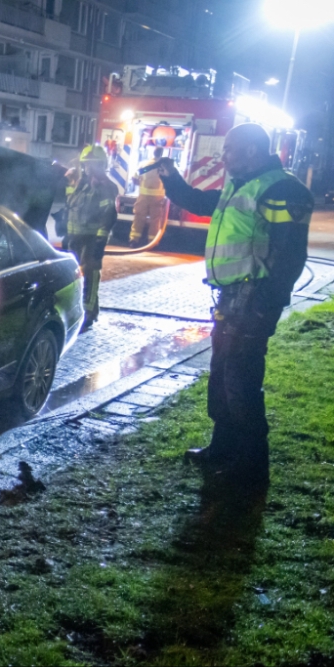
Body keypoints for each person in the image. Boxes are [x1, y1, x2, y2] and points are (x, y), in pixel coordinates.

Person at [159, 123, 312, 489]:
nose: (223, 156)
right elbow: (199, 203)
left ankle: (251, 465)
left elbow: (289, 255)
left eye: (229, 149)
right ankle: (223, 448)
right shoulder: (237, 183)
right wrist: (170, 177)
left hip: (255, 300)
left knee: (241, 379)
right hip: (231, 298)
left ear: (252, 152)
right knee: (222, 374)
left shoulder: (282, 189)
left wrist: (265, 303)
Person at [65, 145, 118, 330]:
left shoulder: (106, 187)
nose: (89, 168)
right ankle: (88, 311)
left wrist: (100, 240)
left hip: (92, 239)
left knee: (90, 275)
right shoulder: (81, 184)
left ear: (102, 165)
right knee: (77, 276)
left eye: (93, 164)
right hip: (76, 238)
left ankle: (87, 314)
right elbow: (71, 206)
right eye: (86, 164)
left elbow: (108, 214)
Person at [129, 146, 167, 248]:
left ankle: (134, 240)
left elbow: (134, 179)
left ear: (153, 153)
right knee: (155, 220)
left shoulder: (144, 165)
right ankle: (152, 242)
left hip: (143, 196)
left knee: (139, 217)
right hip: (158, 198)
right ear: (161, 154)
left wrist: (142, 184)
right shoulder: (165, 167)